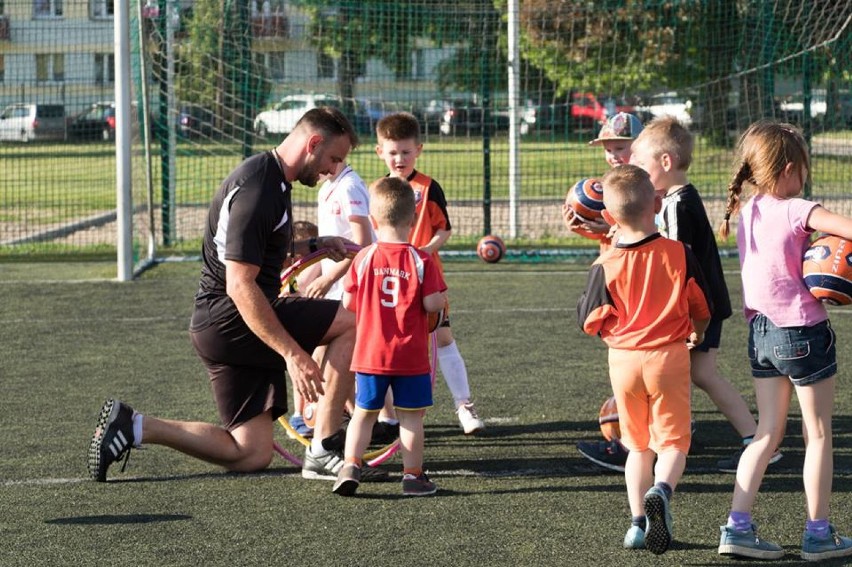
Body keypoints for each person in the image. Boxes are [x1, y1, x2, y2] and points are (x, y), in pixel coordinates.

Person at [87, 107, 387, 484]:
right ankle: (324, 448)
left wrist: (315, 243)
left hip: (218, 324)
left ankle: (134, 426)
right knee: (353, 321)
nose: (333, 169)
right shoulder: (261, 189)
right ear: (312, 143)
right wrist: (292, 354)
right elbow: (239, 285)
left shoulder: (268, 177)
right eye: (333, 158)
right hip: (233, 317)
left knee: (250, 453)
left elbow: (254, 245)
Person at [716, 121, 852, 562]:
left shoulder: (748, 210)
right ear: (791, 168)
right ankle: (817, 534)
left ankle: (737, 526)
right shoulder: (796, 209)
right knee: (817, 435)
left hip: (761, 335)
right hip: (803, 332)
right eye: (804, 170)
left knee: (767, 434)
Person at [630, 115, 778, 473]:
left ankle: (745, 441)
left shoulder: (679, 204)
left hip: (698, 309)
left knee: (690, 374)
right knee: (696, 373)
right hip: (701, 305)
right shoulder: (677, 199)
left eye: (640, 162)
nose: (635, 169)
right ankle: (753, 440)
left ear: (665, 162)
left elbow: (678, 262)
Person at [578, 164, 711, 555]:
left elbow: (589, 320)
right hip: (668, 356)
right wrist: (697, 334)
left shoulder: (603, 264)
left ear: (607, 217)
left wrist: (615, 337)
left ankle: (637, 525)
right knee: (673, 444)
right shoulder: (679, 254)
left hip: (623, 360)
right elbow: (703, 307)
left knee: (637, 447)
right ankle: (662, 489)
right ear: (656, 204)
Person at [332, 176, 448, 497]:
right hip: (410, 356)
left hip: (370, 354)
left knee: (363, 415)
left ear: (373, 218)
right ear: (412, 219)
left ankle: (350, 466)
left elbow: (349, 303)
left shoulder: (364, 258)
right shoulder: (421, 260)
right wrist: (435, 304)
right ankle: (412, 476)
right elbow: (433, 303)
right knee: (411, 418)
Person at [374, 112, 485, 435]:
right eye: (392, 152)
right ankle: (388, 415)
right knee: (387, 345)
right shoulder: (377, 190)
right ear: (380, 152)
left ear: (418, 150)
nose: (399, 159)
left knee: (442, 337)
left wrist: (421, 253)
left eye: (406, 152)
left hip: (425, 281)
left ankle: (464, 405)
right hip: (389, 282)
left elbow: (444, 230)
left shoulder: (428, 187)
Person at [566, 112, 645, 472]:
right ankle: (651, 428)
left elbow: (639, 235)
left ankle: (635, 442)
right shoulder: (613, 182)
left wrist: (603, 227)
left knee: (634, 355)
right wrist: (588, 229)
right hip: (617, 275)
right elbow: (615, 237)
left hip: (638, 280)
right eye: (608, 149)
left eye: (620, 147)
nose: (613, 155)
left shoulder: (643, 186)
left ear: (639, 146)